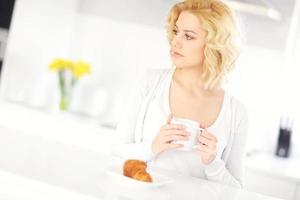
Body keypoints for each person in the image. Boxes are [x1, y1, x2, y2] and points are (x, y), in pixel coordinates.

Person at [113, 0, 248, 188]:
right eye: (176, 31)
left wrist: (213, 163)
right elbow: (116, 153)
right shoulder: (150, 83)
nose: (175, 41)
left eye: (189, 36)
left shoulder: (236, 113)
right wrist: (153, 147)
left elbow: (238, 192)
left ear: (213, 45)